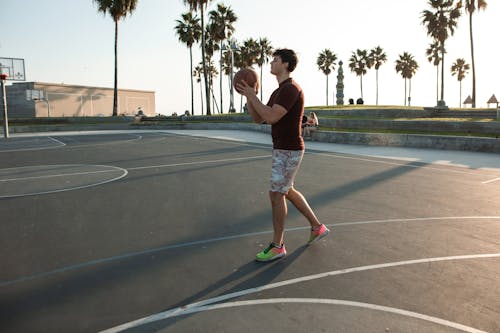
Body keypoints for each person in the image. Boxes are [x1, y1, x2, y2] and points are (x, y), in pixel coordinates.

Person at [237, 49, 330, 262]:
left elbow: (270, 116)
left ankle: (278, 246)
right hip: (283, 149)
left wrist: (253, 95)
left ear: (286, 64)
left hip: (289, 149)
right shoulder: (278, 91)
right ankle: (317, 227)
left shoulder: (291, 89)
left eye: (275, 59)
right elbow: (257, 119)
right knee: (286, 190)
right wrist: (250, 97)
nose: (271, 62)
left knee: (276, 194)